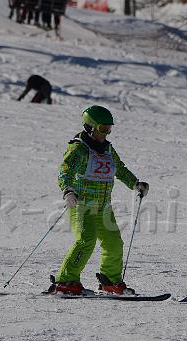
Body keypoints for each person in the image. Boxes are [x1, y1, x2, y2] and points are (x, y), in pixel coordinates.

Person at [47, 105, 149, 295]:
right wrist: (68, 191)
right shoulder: (78, 148)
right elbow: (65, 170)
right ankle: (65, 281)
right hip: (81, 205)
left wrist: (135, 184)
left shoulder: (108, 149)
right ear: (90, 127)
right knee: (86, 240)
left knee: (113, 243)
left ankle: (110, 280)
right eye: (102, 129)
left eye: (109, 129)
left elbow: (119, 169)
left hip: (103, 207)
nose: (106, 133)